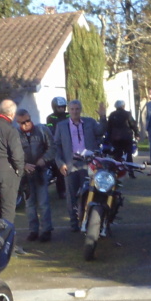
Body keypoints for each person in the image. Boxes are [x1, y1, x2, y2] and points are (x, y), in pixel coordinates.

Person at [54, 99, 105, 232]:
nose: (75, 112)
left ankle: (88, 221)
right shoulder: (61, 126)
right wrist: (60, 163)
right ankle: (73, 223)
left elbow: (101, 131)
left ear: (80, 110)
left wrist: (103, 117)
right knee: (71, 195)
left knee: (89, 193)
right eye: (72, 109)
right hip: (70, 164)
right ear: (68, 110)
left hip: (88, 164)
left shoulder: (90, 122)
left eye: (77, 109)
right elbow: (57, 146)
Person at [15, 108, 55, 242]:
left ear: (30, 118)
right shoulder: (14, 135)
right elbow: (10, 155)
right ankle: (33, 230)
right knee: (29, 204)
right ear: (17, 122)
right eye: (22, 122)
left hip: (40, 171)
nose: (26, 124)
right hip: (25, 174)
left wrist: (44, 159)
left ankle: (46, 230)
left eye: (27, 121)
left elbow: (52, 147)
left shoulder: (42, 130)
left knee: (43, 202)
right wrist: (23, 165)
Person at [45, 96, 69, 199]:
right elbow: (51, 130)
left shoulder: (68, 115)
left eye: (63, 107)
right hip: (57, 145)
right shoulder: (51, 117)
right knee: (59, 169)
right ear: (54, 107)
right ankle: (61, 191)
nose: (61, 109)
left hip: (69, 144)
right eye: (59, 107)